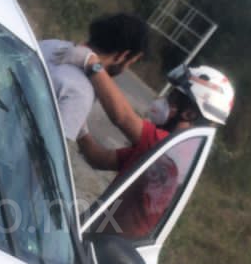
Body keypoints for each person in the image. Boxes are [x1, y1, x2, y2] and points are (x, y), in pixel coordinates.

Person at [78, 64, 235, 238]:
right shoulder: (162, 151)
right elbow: (98, 158)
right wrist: (80, 127)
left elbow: (122, 117)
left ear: (189, 114)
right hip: (95, 232)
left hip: (110, 247)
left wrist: (92, 65)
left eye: (172, 98)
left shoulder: (168, 150)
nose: (162, 100)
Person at [39, 13, 150, 141]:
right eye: (131, 63)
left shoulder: (50, 44)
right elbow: (47, 153)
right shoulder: (81, 93)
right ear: (122, 56)